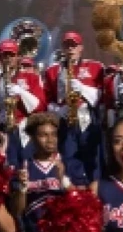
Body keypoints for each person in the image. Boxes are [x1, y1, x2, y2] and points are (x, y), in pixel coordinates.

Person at [43, 33, 105, 185]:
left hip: (87, 117)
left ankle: (96, 190)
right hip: (66, 119)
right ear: (62, 48)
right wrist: (59, 110)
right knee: (69, 158)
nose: (70, 48)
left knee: (93, 158)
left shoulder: (95, 66)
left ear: (81, 48)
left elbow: (101, 96)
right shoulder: (52, 71)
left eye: (74, 45)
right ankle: (76, 193)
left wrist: (82, 88)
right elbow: (47, 100)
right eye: (67, 45)